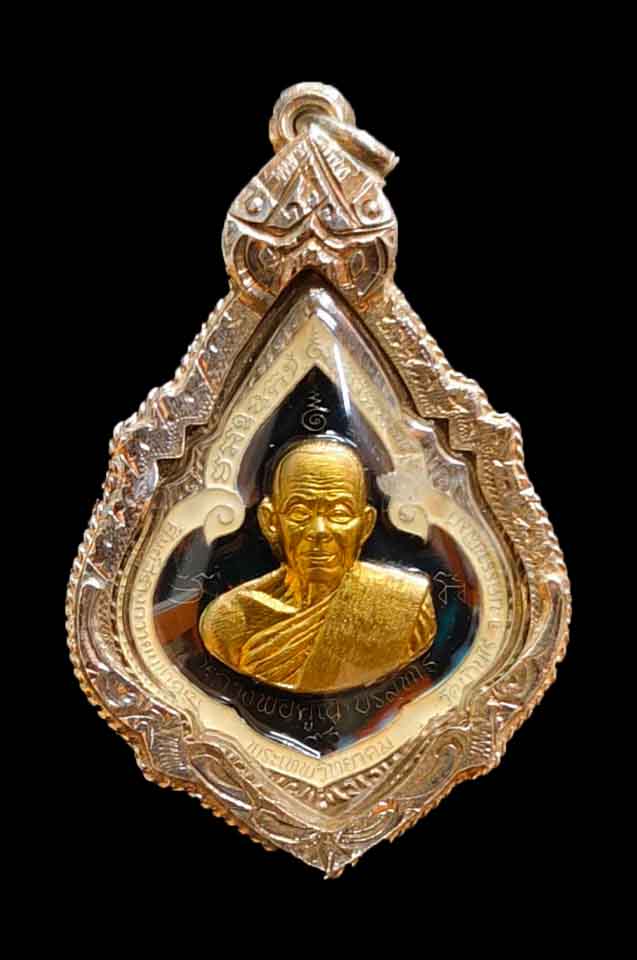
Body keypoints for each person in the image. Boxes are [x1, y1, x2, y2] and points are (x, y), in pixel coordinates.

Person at [199, 437, 436, 693]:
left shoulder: (406, 608)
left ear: (366, 524)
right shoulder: (230, 622)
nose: (319, 531)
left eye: (339, 513)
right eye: (300, 512)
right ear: (271, 521)